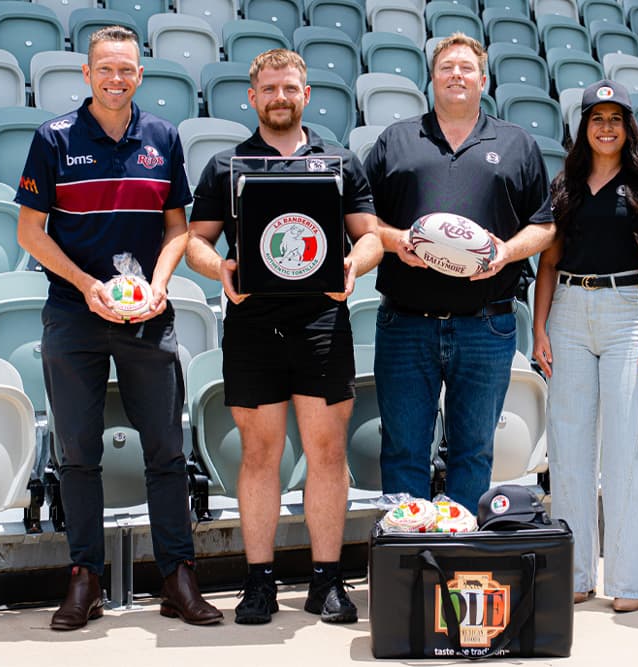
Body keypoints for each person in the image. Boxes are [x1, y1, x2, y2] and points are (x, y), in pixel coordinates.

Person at [15, 26, 222, 630]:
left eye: (126, 70)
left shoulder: (163, 136)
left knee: (166, 450)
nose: (115, 79)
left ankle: (178, 578)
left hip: (147, 317)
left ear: (140, 74)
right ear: (86, 74)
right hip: (75, 314)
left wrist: (159, 286)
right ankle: (86, 578)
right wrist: (88, 286)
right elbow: (30, 234)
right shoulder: (52, 138)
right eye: (105, 69)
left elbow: (178, 228)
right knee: (77, 454)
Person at [185, 49, 382, 626]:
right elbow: (198, 241)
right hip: (252, 325)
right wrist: (217, 269)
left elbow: (368, 236)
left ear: (306, 94)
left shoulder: (341, 162)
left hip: (322, 321)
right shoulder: (226, 165)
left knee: (326, 452)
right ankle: (260, 582)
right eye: (268, 88)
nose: (279, 97)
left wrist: (354, 267)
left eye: (289, 87)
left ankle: (327, 581)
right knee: (261, 454)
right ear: (252, 97)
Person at [363, 33, 555, 511]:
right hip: (406, 322)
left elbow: (546, 225)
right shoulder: (397, 140)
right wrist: (396, 241)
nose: (456, 75)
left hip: (486, 324)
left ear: (483, 79)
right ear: (432, 78)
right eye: (446, 67)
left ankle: (462, 567)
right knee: (404, 452)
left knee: (474, 454)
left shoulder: (517, 144)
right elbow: (361, 218)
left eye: (466, 68)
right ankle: (409, 564)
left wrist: (507, 252)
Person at [531, 80, 638, 613]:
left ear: (627, 126)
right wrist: (539, 327)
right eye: (596, 117)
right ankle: (577, 573)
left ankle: (630, 583)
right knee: (568, 447)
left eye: (615, 118)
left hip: (626, 312)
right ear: (582, 126)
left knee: (629, 446)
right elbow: (547, 261)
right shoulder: (563, 185)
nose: (605, 126)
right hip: (566, 312)